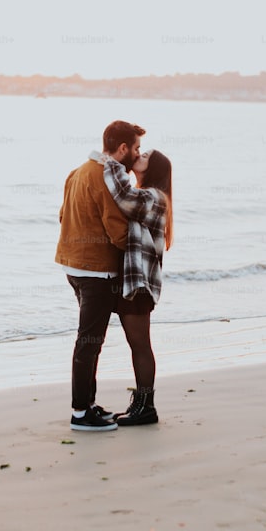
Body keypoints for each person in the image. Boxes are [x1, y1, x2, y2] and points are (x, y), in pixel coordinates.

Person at [54, 120, 144, 431]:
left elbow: (63, 215)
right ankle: (80, 412)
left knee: (89, 340)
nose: (137, 153)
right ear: (122, 149)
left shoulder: (78, 170)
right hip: (96, 272)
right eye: (136, 148)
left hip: (73, 266)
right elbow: (117, 231)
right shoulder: (109, 176)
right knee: (89, 342)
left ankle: (88, 403)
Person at [99, 147, 173, 426]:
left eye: (144, 157)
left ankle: (147, 407)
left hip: (140, 284)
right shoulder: (151, 195)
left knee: (141, 345)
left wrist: (111, 164)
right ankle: (142, 404)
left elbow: (123, 197)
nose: (138, 157)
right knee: (137, 345)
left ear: (152, 168)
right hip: (136, 282)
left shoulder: (154, 197)